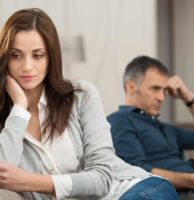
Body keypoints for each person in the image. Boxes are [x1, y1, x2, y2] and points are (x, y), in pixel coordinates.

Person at [0, 8, 179, 200]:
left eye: (37, 55)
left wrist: (30, 181)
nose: (27, 66)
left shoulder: (81, 95)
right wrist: (19, 107)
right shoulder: (10, 120)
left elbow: (102, 178)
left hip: (132, 190)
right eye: (16, 55)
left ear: (51, 58)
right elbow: (3, 177)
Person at [107, 55, 194, 200]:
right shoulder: (119, 120)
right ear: (131, 87)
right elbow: (138, 172)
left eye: (164, 91)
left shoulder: (167, 128)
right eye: (155, 89)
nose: (161, 98)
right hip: (172, 193)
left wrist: (188, 97)